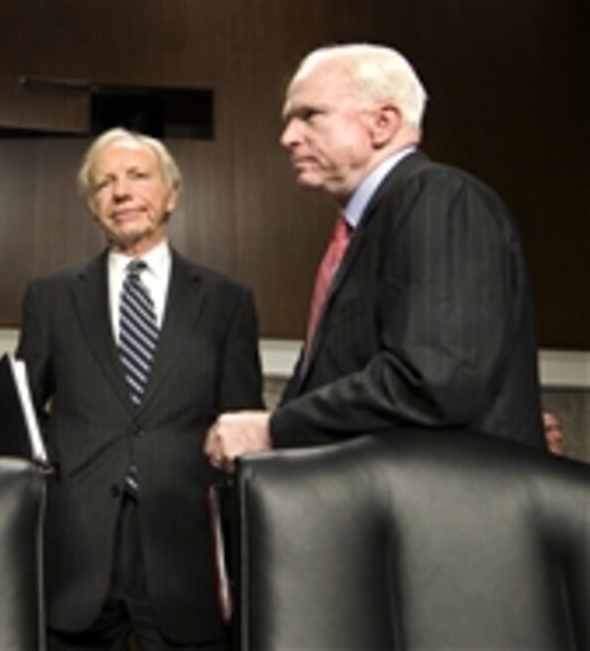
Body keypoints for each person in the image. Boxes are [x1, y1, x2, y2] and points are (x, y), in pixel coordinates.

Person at [205, 43, 545, 471]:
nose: (288, 137)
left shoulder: (438, 198)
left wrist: (274, 429)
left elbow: (433, 381)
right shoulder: (369, 225)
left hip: (444, 523)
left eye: (309, 115)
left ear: (382, 123)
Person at [17, 128, 264, 649]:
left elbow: (243, 426)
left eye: (136, 177)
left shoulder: (227, 301)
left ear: (172, 194)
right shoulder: (50, 296)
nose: (121, 192)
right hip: (77, 552)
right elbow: (24, 414)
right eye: (104, 183)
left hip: (184, 555)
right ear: (93, 205)